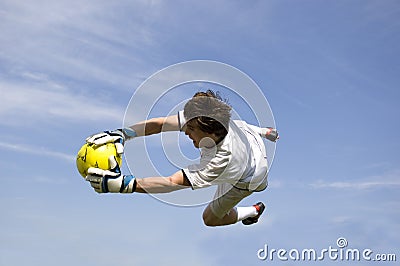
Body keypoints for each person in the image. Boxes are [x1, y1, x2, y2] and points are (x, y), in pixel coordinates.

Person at [85, 90, 278, 227]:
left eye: (191, 130)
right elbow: (160, 124)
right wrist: (123, 133)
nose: (186, 132)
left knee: (210, 219)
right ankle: (263, 131)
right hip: (250, 139)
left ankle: (253, 211)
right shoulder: (206, 118)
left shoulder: (218, 162)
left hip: (250, 178)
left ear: (210, 132)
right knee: (242, 128)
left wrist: (124, 185)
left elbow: (171, 182)